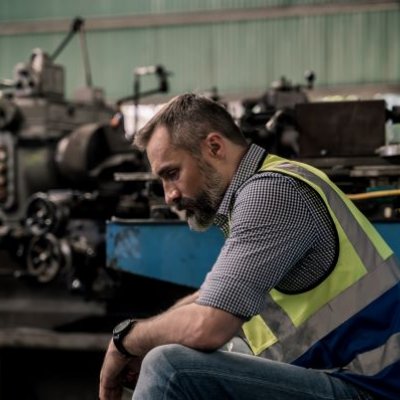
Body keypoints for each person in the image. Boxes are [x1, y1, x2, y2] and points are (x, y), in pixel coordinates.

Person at [99, 93, 400, 400]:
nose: (169, 196)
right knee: (174, 350)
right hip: (346, 377)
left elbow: (208, 326)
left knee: (169, 367)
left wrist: (126, 339)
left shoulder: (271, 192)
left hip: (372, 389)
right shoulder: (263, 188)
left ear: (214, 147)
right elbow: (210, 300)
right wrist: (150, 337)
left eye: (172, 174)